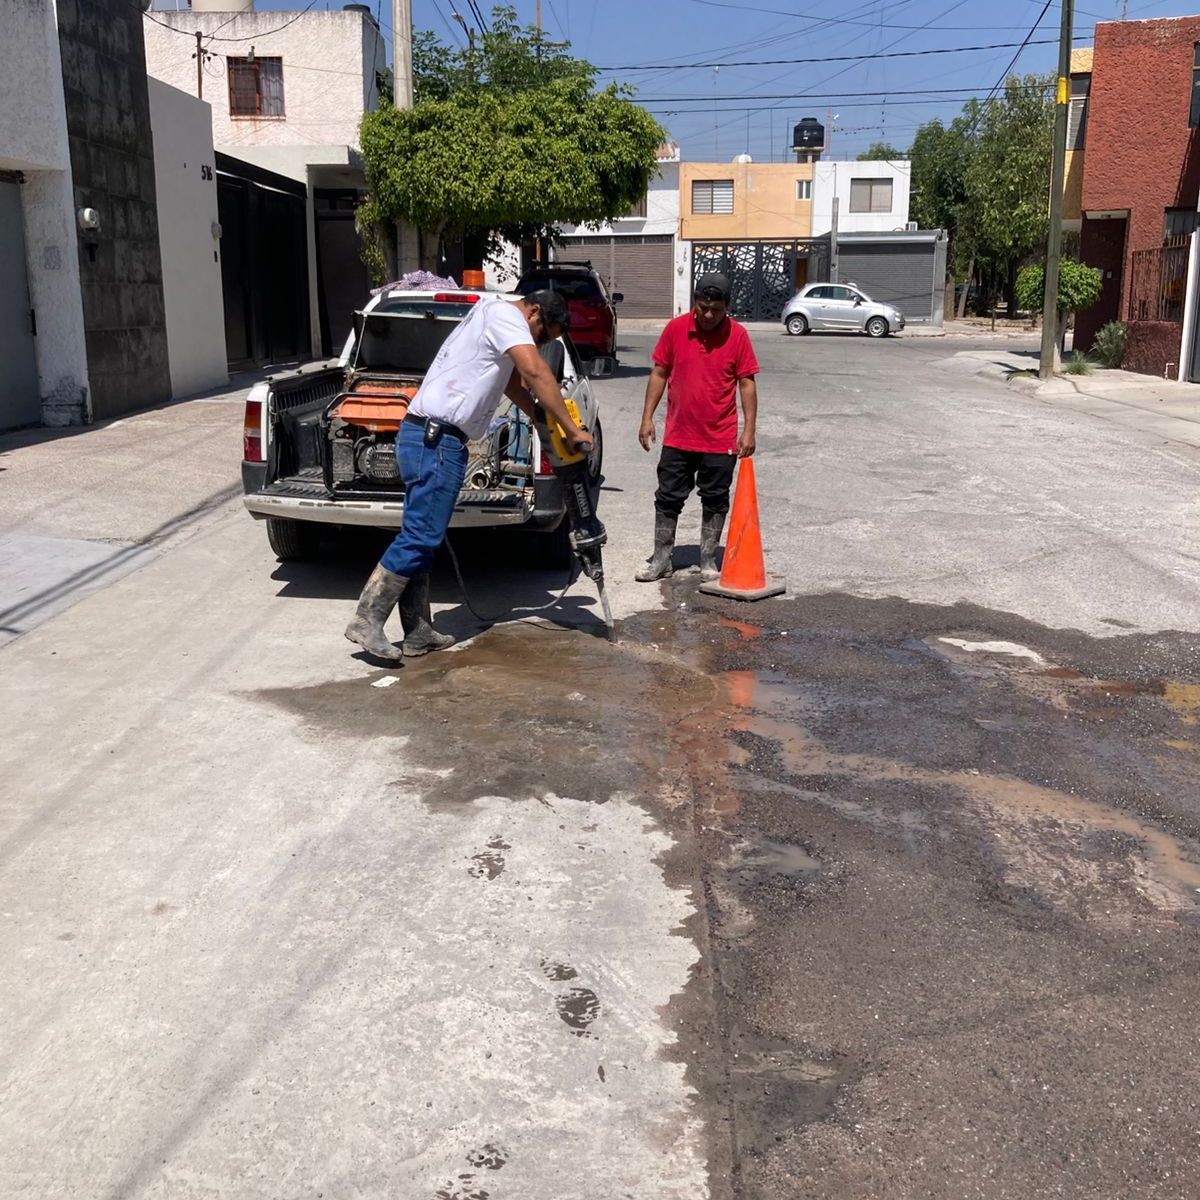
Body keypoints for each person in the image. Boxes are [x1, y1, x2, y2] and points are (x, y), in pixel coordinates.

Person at [345, 289, 593, 662]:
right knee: (422, 535)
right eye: (543, 336)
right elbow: (534, 371)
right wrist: (572, 430)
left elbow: (511, 383)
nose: (538, 344)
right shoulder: (507, 318)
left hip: (427, 436)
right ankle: (367, 618)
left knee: (422, 534)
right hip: (436, 440)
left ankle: (417, 631)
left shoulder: (490, 314)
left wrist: (538, 416)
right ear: (535, 312)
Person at [635, 272, 759, 582]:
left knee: (715, 498)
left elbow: (746, 383)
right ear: (695, 302)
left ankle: (707, 559)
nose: (707, 315)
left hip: (720, 438)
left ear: (727, 307)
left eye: (715, 310)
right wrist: (647, 417)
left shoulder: (738, 336)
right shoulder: (676, 329)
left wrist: (749, 429)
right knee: (667, 497)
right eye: (702, 307)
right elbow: (660, 373)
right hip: (679, 436)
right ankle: (661, 559)